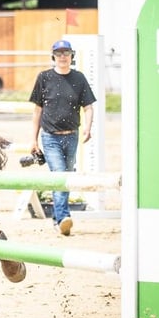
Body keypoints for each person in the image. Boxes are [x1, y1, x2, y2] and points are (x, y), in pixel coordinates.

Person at [29, 39, 96, 236]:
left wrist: (88, 127)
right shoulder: (44, 78)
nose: (63, 56)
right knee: (60, 175)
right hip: (50, 137)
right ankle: (64, 217)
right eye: (59, 53)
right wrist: (33, 139)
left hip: (72, 136)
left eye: (66, 53)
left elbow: (88, 107)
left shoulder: (79, 78)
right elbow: (37, 111)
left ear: (71, 56)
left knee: (66, 178)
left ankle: (58, 219)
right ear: (54, 57)